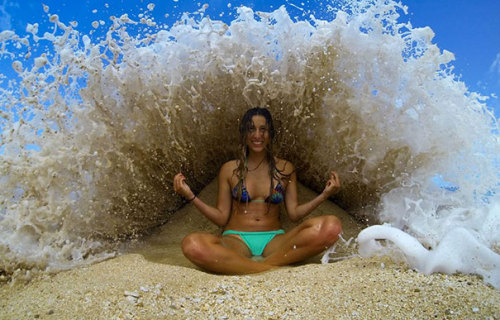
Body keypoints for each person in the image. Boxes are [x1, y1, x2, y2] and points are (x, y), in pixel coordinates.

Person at [173, 107, 342, 274]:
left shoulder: (285, 168)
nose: (257, 135)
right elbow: (221, 218)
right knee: (192, 244)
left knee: (332, 226)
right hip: (236, 239)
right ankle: (267, 268)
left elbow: (295, 213)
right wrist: (190, 195)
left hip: (275, 239)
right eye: (251, 129)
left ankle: (258, 265)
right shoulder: (229, 169)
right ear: (244, 134)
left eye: (263, 130)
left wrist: (324, 195)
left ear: (271, 134)